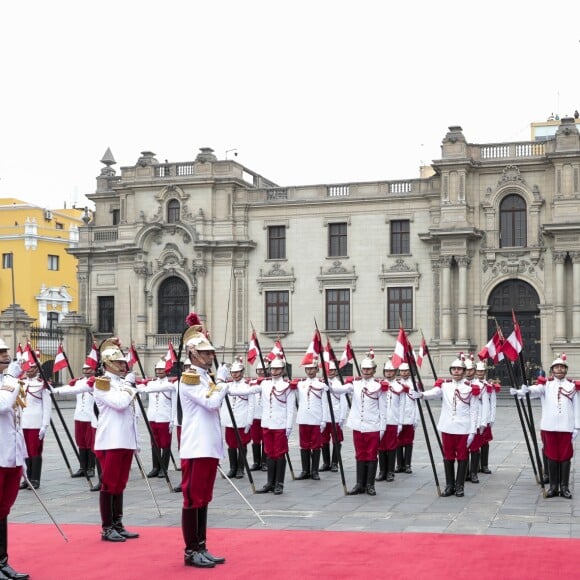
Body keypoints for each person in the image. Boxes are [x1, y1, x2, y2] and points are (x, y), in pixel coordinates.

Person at [178, 313, 229, 568]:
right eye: (206, 353)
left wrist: (217, 382)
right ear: (194, 354)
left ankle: (201, 545)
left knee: (204, 497)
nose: (211, 356)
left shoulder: (205, 377)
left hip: (208, 445)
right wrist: (221, 383)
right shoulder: (190, 378)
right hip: (196, 446)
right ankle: (190, 550)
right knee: (192, 498)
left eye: (210, 353)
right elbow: (210, 403)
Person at [93, 338, 140, 542]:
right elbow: (120, 404)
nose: (123, 365)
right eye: (119, 363)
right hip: (111, 439)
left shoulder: (120, 383)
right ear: (108, 364)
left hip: (125, 439)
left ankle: (117, 523)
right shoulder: (102, 384)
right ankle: (107, 527)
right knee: (109, 484)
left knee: (120, 483)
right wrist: (130, 387)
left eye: (123, 362)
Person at [411, 357, 479, 498]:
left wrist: (473, 431)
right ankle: (449, 485)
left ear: (464, 371)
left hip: (463, 428)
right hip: (447, 427)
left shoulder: (471, 388)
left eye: (459, 369)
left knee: (462, 457)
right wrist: (422, 395)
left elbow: (474, 411)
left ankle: (459, 486)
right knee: (448, 457)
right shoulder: (445, 385)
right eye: (453, 369)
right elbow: (434, 393)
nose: (456, 371)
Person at [514, 354, 580, 499]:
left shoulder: (572, 386)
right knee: (551, 455)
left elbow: (577, 407)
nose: (559, 369)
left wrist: (577, 427)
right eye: (557, 367)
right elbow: (535, 390)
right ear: (552, 370)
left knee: (565, 457)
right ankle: (553, 486)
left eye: (562, 367)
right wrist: (524, 390)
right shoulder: (546, 385)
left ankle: (564, 487)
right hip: (549, 426)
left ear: (566, 370)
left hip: (566, 427)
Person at [330, 352, 384, 496]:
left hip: (373, 425)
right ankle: (360, 483)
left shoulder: (379, 386)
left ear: (374, 370)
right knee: (360, 454)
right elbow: (339, 390)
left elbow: (383, 409)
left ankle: (370, 485)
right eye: (364, 369)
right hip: (358, 425)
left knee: (371, 455)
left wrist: (382, 427)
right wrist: (328, 385)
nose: (366, 371)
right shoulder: (354, 384)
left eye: (369, 369)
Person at [0, 339, 30, 580]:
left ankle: (2, 562)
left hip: (10, 455)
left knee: (3, 510)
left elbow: (14, 422)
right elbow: (2, 405)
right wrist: (11, 382)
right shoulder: (9, 383)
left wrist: (22, 457)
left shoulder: (8, 382)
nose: (6, 356)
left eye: (5, 352)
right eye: (1, 353)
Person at [255, 355, 296, 495]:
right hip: (267, 423)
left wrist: (289, 426)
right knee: (269, 453)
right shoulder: (264, 384)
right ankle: (269, 483)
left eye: (278, 369)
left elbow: (290, 408)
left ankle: (279, 483)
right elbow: (249, 391)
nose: (275, 371)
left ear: (283, 370)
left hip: (280, 424)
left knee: (279, 454)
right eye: (273, 369)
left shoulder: (287, 386)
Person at [53, 363, 97, 479]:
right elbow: (70, 388)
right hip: (79, 416)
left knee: (91, 443)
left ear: (94, 369)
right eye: (85, 369)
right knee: (81, 442)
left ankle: (91, 468)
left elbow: (73, 391)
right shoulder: (79, 381)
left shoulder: (97, 381)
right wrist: (55, 390)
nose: (87, 371)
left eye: (89, 369)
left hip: (91, 416)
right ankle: (83, 467)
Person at [137, 358, 176, 479]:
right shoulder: (151, 383)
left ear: (167, 370)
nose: (159, 371)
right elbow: (141, 389)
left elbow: (174, 403)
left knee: (165, 444)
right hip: (152, 417)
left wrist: (172, 419)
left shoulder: (170, 385)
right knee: (154, 443)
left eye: (161, 369)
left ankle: (164, 468)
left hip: (165, 418)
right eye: (157, 369)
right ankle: (155, 467)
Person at [218, 357, 255, 479]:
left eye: (237, 372)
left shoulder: (248, 385)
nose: (235, 374)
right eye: (233, 372)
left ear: (242, 372)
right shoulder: (227, 386)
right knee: (231, 444)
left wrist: (249, 421)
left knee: (242, 445)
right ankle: (233, 467)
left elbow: (251, 405)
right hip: (229, 421)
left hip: (242, 420)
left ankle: (241, 468)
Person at [294, 355, 328, 481]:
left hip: (316, 418)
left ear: (317, 370)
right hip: (303, 418)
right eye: (307, 369)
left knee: (316, 445)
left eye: (312, 369)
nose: (310, 371)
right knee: (304, 445)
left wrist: (324, 419)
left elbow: (324, 403)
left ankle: (314, 471)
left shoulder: (321, 385)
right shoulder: (300, 384)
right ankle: (305, 470)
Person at [19, 360, 51, 490]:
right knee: (24, 452)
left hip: (36, 423)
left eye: (31, 368)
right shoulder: (21, 383)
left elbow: (47, 407)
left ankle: (35, 479)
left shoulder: (42, 385)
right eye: (27, 368)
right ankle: (27, 478)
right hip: (22, 423)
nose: (28, 370)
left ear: (37, 370)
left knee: (35, 452)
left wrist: (44, 425)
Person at [377, 358, 403, 482]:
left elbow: (402, 406)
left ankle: (390, 472)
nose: (388, 373)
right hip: (381, 420)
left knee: (391, 447)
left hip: (393, 420)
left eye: (391, 371)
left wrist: (400, 423)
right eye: (386, 371)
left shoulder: (400, 387)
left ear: (395, 372)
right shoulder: (379, 385)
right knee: (381, 446)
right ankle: (382, 471)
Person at [320, 361, 348, 472]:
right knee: (323, 440)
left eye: (332, 370)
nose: (330, 372)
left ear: (336, 371)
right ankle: (326, 463)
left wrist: (342, 417)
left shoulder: (339, 384)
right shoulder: (322, 383)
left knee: (337, 440)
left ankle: (335, 463)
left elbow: (343, 401)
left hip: (335, 416)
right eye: (328, 370)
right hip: (324, 416)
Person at [474, 361, 498, 477]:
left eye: (482, 371)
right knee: (474, 443)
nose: (480, 373)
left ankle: (484, 465)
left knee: (485, 443)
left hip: (486, 417)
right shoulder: (470, 384)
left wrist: (491, 419)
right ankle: (475, 465)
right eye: (478, 371)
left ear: (485, 372)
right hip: (474, 417)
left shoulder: (489, 386)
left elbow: (492, 403)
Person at [396, 362, 417, 474]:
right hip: (397, 416)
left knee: (408, 442)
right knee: (398, 442)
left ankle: (407, 464)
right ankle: (399, 464)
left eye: (406, 371)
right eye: (402, 371)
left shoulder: (414, 384)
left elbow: (417, 401)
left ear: (409, 372)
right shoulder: (396, 383)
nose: (404, 373)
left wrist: (416, 418)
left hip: (409, 416)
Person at [248, 361, 268, 472]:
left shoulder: (269, 382)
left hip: (265, 416)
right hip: (255, 415)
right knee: (255, 440)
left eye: (262, 370)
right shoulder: (252, 383)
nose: (260, 372)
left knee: (265, 440)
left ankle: (265, 462)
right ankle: (256, 462)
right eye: (258, 370)